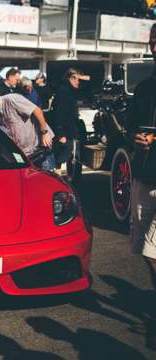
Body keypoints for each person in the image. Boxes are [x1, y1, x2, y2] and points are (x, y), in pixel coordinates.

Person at [128, 22, 156, 351]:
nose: (153, 45)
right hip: (142, 175)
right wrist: (133, 136)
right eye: (151, 40)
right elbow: (132, 126)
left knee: (152, 252)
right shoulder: (144, 88)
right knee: (142, 250)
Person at [0, 90, 56, 172]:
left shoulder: (11, 99)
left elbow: (37, 110)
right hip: (27, 156)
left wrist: (44, 132)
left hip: (40, 151)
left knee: (46, 182)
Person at [51, 68, 86, 173]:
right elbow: (59, 114)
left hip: (67, 129)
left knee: (63, 155)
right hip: (64, 131)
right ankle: (56, 177)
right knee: (60, 156)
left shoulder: (67, 90)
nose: (78, 82)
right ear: (69, 78)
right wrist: (61, 134)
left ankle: (57, 175)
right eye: (75, 79)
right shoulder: (64, 92)